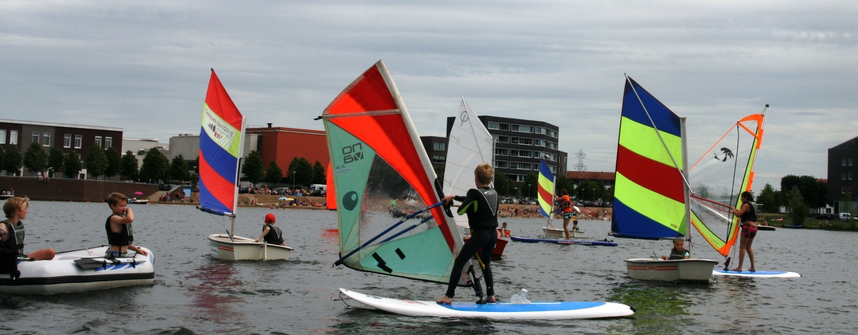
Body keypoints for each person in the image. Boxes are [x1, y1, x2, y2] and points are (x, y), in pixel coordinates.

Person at [437, 163, 498, 305]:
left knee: (459, 262)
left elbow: (461, 211)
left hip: (480, 234)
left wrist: (450, 202)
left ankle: (448, 296)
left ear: (476, 178)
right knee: (485, 262)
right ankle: (491, 295)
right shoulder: (494, 193)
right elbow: (475, 199)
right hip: (492, 233)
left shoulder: (474, 193)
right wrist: (454, 196)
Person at [105, 192, 148, 259]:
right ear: (113, 206)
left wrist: (137, 250)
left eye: (125, 205)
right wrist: (129, 210)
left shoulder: (121, 218)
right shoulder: (114, 218)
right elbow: (130, 219)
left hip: (122, 254)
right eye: (121, 206)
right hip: (115, 254)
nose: (124, 208)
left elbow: (124, 242)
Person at [732, 191, 757, 272]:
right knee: (748, 247)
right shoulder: (751, 205)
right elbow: (741, 213)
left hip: (747, 227)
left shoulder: (746, 205)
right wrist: (736, 210)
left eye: (742, 197)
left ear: (746, 197)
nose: (741, 199)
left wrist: (733, 209)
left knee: (742, 247)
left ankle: (739, 267)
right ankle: (753, 267)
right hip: (754, 228)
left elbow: (738, 214)